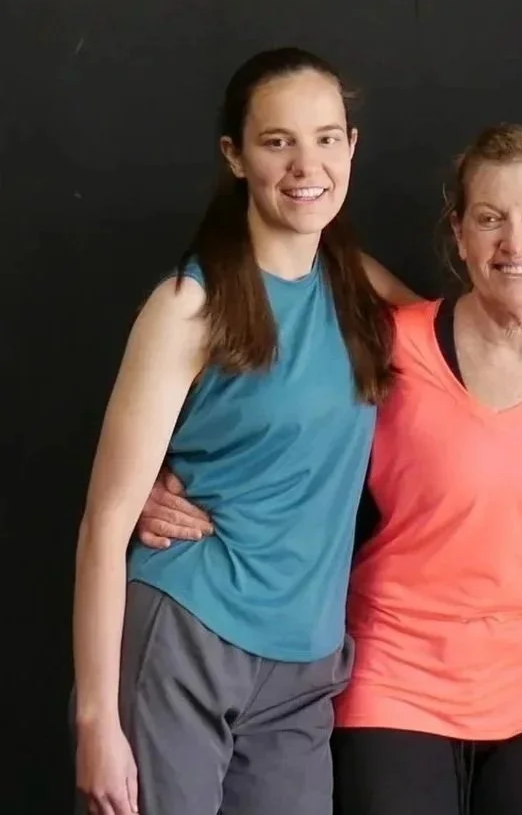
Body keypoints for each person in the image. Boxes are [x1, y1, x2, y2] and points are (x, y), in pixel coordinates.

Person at [133, 123, 522, 814]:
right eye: (490, 219)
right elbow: (274, 396)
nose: (515, 243)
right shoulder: (394, 342)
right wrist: (146, 478)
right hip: (395, 686)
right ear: (459, 235)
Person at [71, 47, 397, 815]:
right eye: (277, 141)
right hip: (189, 635)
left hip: (304, 666)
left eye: (326, 138)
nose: (306, 164)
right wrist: (96, 723)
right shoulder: (189, 306)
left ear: (351, 146)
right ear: (236, 156)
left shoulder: (356, 283)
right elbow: (105, 524)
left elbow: (465, 360)